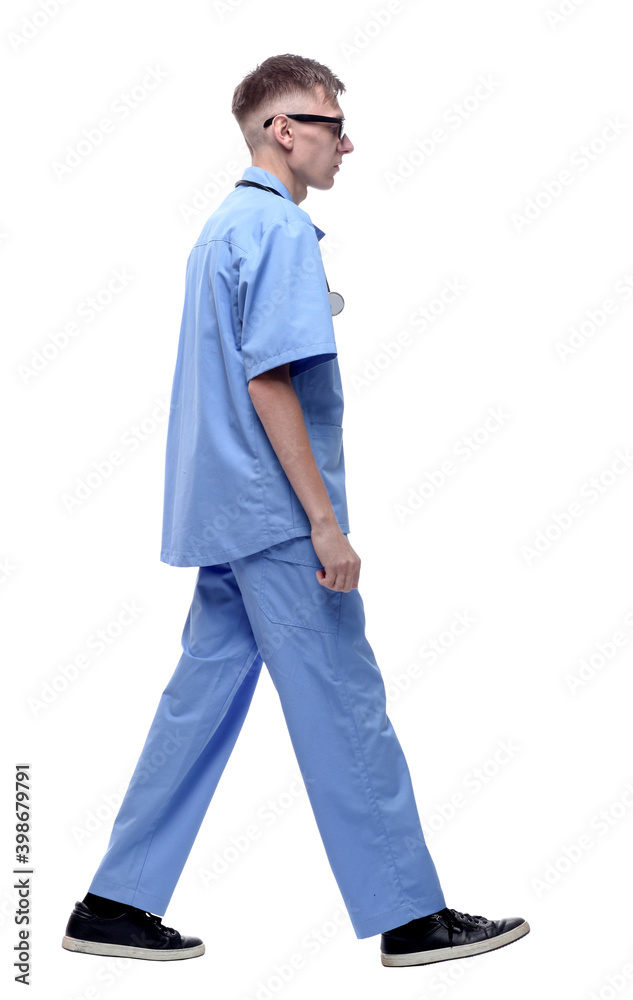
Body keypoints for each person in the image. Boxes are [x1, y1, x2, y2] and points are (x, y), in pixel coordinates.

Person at [61, 53, 530, 968]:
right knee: (345, 702)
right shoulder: (274, 229)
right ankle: (410, 917)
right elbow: (268, 380)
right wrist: (322, 522)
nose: (345, 144)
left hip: (225, 514)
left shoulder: (220, 229)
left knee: (198, 705)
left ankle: (113, 903)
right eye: (332, 125)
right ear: (283, 129)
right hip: (277, 519)